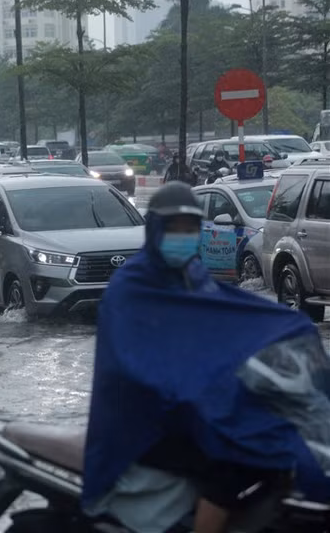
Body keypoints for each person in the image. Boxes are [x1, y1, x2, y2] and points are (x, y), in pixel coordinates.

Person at [83, 182, 330, 533]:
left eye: (190, 229)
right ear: (155, 228)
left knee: (276, 433)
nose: (182, 237)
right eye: (174, 229)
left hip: (190, 402)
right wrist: (200, 396)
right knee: (231, 459)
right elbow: (136, 367)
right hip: (146, 418)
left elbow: (234, 320)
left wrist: (292, 325)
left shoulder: (194, 277)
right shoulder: (132, 288)